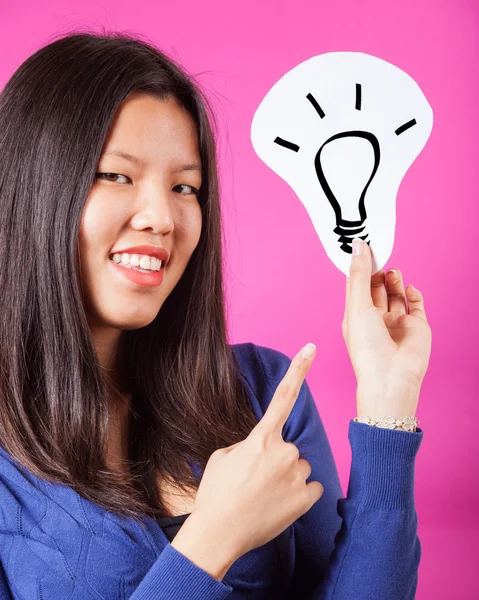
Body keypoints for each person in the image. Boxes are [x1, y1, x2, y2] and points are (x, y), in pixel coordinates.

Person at [0, 29, 431, 600]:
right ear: (34, 187)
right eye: (117, 175)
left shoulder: (264, 394)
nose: (162, 217)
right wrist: (212, 542)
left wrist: (386, 404)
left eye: (186, 186)